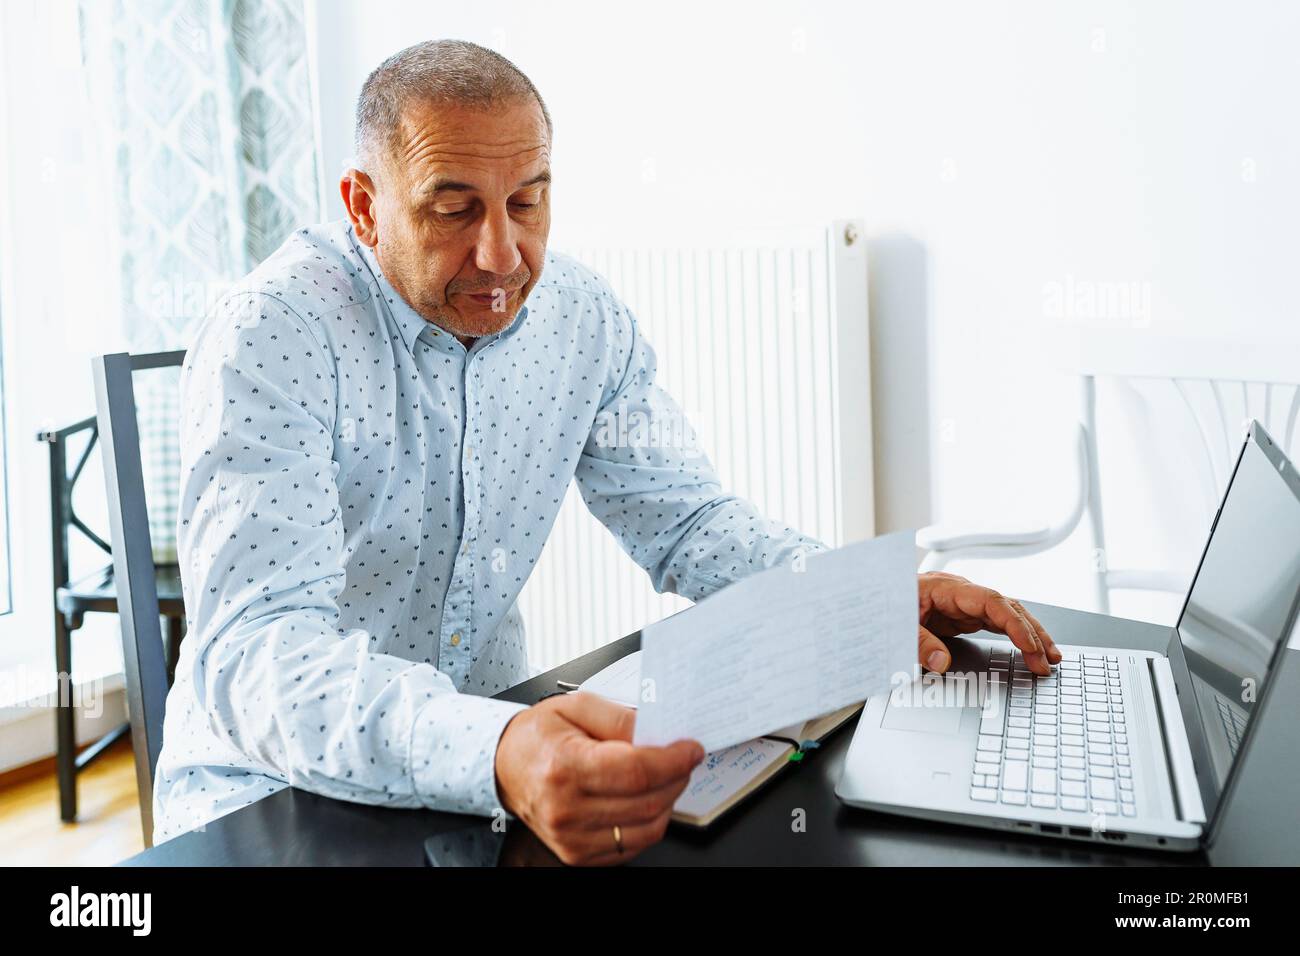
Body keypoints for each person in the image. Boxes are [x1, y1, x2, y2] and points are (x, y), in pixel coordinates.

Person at [161, 39, 1060, 864]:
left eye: (527, 202)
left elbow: (690, 523)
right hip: (269, 803)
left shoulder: (581, 320)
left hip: (492, 777)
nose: (502, 255)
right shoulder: (272, 333)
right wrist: (494, 747)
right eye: (453, 208)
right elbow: (259, 651)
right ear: (364, 206)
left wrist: (856, 598)